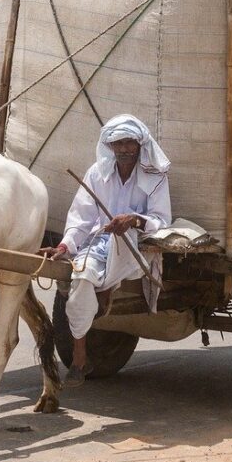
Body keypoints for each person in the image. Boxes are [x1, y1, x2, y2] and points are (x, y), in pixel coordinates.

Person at [41, 115, 171, 387]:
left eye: (129, 143)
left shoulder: (155, 176)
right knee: (80, 279)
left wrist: (134, 220)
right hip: (98, 245)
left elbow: (161, 219)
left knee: (107, 257)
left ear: (139, 144)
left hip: (137, 246)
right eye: (118, 143)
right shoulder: (97, 173)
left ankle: (104, 294)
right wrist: (65, 246)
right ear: (110, 146)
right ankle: (80, 358)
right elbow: (81, 218)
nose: (124, 149)